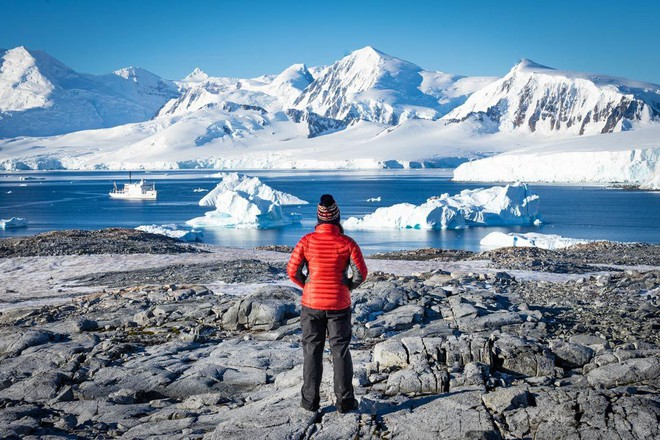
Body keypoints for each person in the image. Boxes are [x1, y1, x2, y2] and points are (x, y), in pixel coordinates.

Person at [287, 194, 368, 413]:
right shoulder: (347, 242)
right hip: (339, 305)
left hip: (311, 304)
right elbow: (361, 273)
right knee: (340, 351)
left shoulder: (306, 241)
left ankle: (310, 402)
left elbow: (292, 271)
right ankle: (344, 402)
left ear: (319, 219)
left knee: (312, 351)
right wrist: (346, 287)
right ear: (337, 218)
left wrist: (309, 286)